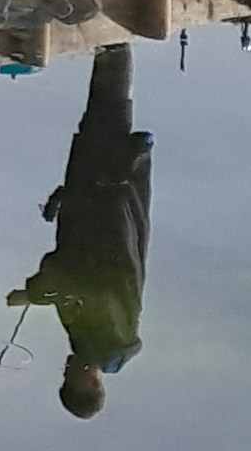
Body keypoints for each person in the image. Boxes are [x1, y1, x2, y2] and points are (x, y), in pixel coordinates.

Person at [9, 42, 153, 417]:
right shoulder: (113, 341)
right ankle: (116, 34)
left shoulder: (89, 342)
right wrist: (40, 292)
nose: (65, 371)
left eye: (63, 379)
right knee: (108, 112)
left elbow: (67, 274)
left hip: (92, 198)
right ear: (92, 382)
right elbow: (95, 282)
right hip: (107, 191)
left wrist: (37, 291)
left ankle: (112, 38)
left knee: (99, 114)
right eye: (69, 380)